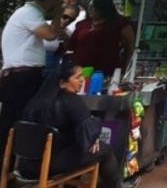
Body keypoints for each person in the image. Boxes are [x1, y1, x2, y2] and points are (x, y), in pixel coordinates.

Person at [19, 59, 123, 188]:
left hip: (25, 165)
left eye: (82, 76)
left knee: (76, 147)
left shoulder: (36, 101)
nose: (82, 80)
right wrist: (93, 137)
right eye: (77, 77)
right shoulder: (71, 100)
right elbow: (89, 132)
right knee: (105, 150)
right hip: (47, 165)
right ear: (62, 83)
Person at [0, 0, 64, 158]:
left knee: (19, 120)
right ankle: (6, 164)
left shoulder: (30, 13)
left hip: (23, 76)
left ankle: (13, 162)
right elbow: (50, 35)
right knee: (13, 122)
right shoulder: (30, 13)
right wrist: (58, 14)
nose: (61, 3)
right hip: (21, 78)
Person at [68, 0, 135, 76]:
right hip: (80, 71)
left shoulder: (119, 23)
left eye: (94, 8)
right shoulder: (83, 24)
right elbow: (71, 45)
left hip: (106, 70)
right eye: (90, 7)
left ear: (103, 9)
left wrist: (124, 67)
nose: (91, 10)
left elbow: (129, 46)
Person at [43, 3, 80, 76]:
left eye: (71, 19)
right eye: (65, 17)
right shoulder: (44, 25)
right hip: (37, 64)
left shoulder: (68, 33)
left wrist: (66, 39)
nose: (67, 21)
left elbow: (67, 50)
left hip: (53, 68)